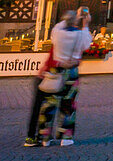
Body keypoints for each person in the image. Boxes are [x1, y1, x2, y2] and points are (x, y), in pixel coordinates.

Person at [35, 6, 92, 147]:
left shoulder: (58, 32)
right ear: (75, 21)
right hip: (71, 72)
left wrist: (72, 17)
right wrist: (84, 23)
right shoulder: (80, 35)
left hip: (55, 71)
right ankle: (65, 137)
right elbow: (86, 44)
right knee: (68, 105)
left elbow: (57, 27)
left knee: (49, 104)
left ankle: (45, 137)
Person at [22, 11, 74, 148]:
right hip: (52, 77)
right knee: (48, 108)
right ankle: (39, 137)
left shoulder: (58, 36)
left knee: (41, 108)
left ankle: (36, 137)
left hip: (45, 75)